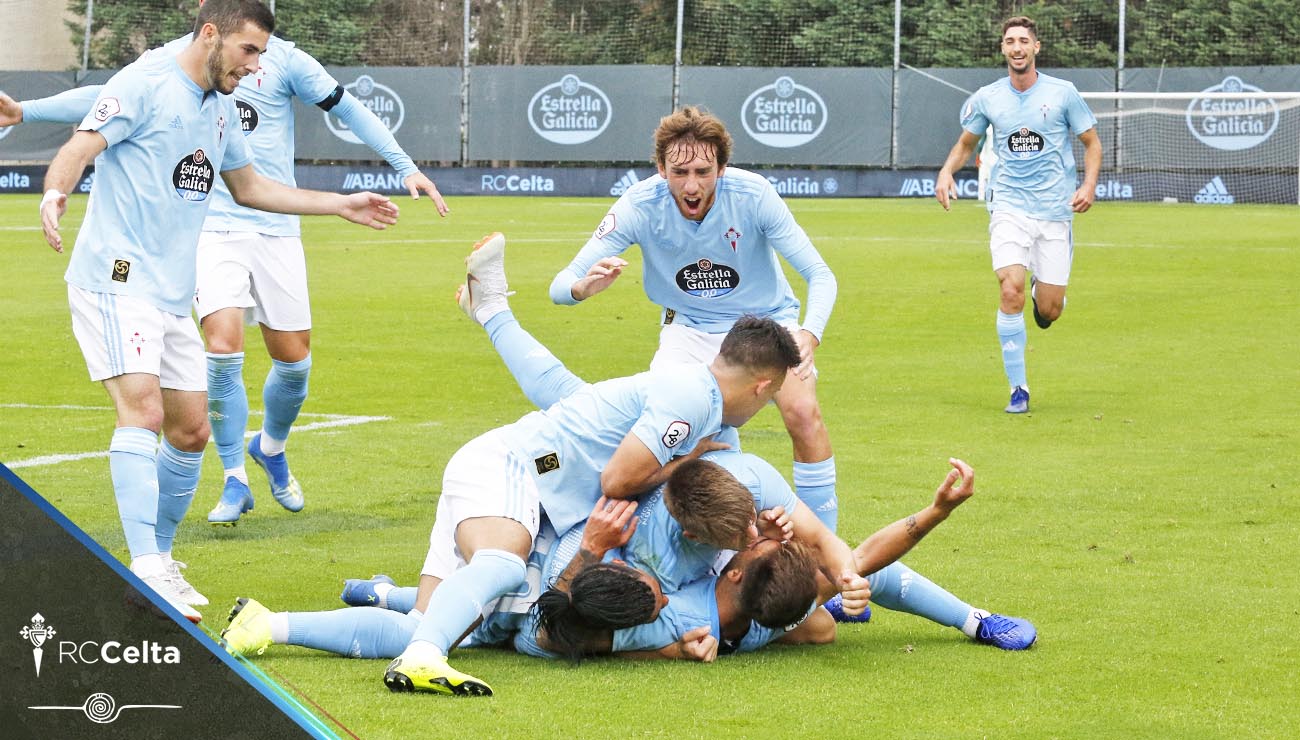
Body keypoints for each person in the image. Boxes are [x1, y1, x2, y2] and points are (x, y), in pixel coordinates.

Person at [0, 5, 449, 526]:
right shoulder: (178, 59)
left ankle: (271, 448)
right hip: (207, 227)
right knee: (219, 345)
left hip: (275, 224)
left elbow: (343, 111)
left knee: (293, 362)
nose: (252, 64)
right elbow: (108, 101)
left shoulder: (280, 62)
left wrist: (403, 168)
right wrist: (28, 112)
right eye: (247, 51)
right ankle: (232, 478)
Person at [39, 0, 399, 622]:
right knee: (144, 412)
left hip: (170, 291)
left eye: (262, 53)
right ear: (211, 34)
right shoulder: (145, 82)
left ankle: (161, 561)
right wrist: (54, 192)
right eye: (248, 51)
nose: (256, 66)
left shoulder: (222, 107)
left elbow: (253, 188)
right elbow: (81, 145)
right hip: (115, 276)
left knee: (191, 431)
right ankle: (147, 567)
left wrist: (337, 204)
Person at [369, 233, 807, 696]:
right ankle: (423, 655)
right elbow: (616, 481)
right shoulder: (696, 405)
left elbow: (563, 393)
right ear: (762, 387)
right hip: (519, 465)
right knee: (503, 565)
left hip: (533, 473)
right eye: (775, 392)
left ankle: (295, 622)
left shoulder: (706, 415)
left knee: (425, 618)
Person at [547, 106, 842, 532]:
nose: (691, 184)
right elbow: (562, 284)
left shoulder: (754, 194)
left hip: (766, 324)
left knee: (802, 411)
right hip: (688, 329)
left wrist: (809, 337)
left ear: (722, 167)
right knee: (674, 431)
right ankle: (712, 541)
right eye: (678, 171)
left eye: (703, 171)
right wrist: (580, 289)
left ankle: (824, 549)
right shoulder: (639, 204)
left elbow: (820, 275)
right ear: (660, 168)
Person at [934, 15, 1102, 414]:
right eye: (1010, 41)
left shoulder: (1063, 94)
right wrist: (945, 171)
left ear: (1036, 47)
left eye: (1023, 40)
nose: (1017, 47)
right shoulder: (989, 97)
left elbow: (1092, 144)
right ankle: (1018, 389)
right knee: (1009, 287)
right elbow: (965, 143)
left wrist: (1089, 185)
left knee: (1050, 310)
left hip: (1054, 212)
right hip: (1008, 205)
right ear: (1003, 49)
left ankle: (1040, 296)